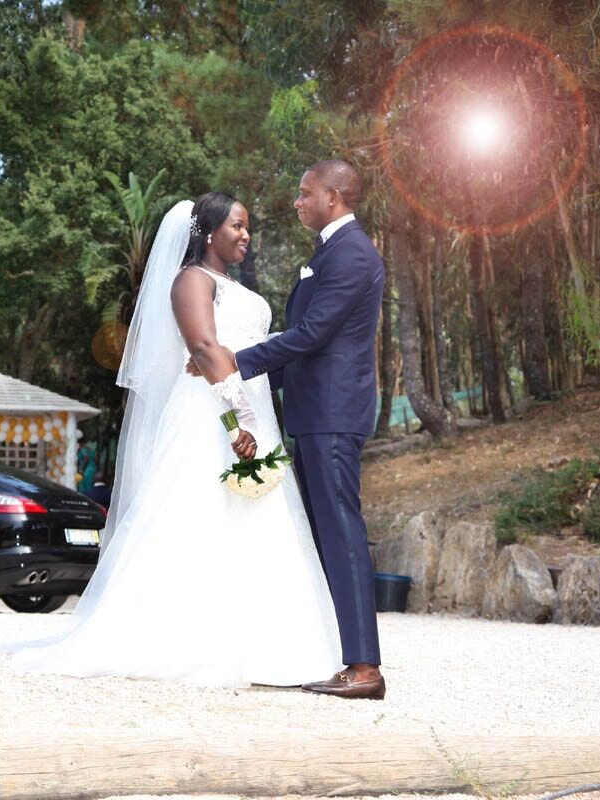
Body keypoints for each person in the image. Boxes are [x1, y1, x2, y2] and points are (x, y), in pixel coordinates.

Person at [0, 193, 342, 688]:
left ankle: (265, 645)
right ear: (209, 232)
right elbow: (204, 347)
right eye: (237, 226)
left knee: (256, 520)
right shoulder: (191, 280)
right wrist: (238, 420)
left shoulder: (232, 285)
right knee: (199, 519)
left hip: (252, 408)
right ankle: (188, 640)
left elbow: (246, 350)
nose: (246, 235)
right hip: (213, 414)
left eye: (247, 227)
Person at [200, 160, 386, 700]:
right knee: (327, 535)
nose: (298, 202)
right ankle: (340, 656)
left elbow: (312, 334)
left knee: (342, 535)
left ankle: (365, 668)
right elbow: (310, 343)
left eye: (306, 193)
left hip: (333, 413)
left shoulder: (352, 253)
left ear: (333, 197)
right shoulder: (329, 252)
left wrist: (237, 363)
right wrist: (255, 384)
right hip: (314, 412)